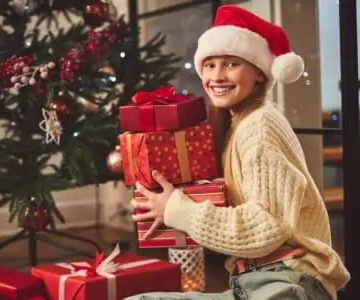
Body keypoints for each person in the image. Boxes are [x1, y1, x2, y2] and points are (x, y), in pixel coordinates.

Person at [125, 5, 350, 300]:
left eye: (231, 63)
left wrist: (179, 209)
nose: (216, 76)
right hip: (262, 280)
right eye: (209, 65)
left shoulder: (259, 126)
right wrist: (169, 207)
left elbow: (266, 224)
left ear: (258, 72)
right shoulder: (242, 123)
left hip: (289, 282)